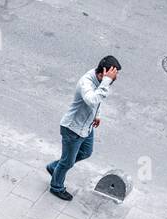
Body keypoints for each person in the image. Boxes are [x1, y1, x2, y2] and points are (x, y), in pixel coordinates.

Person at [47, 55, 120, 200]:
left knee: (86, 152)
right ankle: (56, 187)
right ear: (102, 73)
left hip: (86, 126)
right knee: (67, 162)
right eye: (112, 77)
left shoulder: (99, 80)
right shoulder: (86, 82)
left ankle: (54, 167)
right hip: (73, 129)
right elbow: (92, 100)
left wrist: (97, 115)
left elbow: (97, 102)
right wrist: (106, 81)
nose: (114, 80)